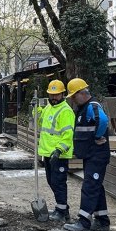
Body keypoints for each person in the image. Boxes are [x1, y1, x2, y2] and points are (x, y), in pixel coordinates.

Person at [63, 78, 111, 231]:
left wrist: (98, 137)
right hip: (91, 155)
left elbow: (103, 121)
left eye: (74, 96)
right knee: (96, 186)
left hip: (96, 155)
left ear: (82, 93)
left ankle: (84, 223)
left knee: (89, 187)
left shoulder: (92, 106)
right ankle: (103, 221)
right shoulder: (85, 108)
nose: (73, 100)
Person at [34, 80, 75, 222]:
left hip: (59, 154)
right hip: (47, 153)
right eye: (51, 95)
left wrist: (58, 151)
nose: (54, 98)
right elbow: (39, 122)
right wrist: (35, 109)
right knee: (52, 181)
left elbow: (68, 135)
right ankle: (62, 208)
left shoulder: (66, 111)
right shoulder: (48, 108)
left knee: (58, 182)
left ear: (63, 94)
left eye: (56, 95)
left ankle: (62, 210)